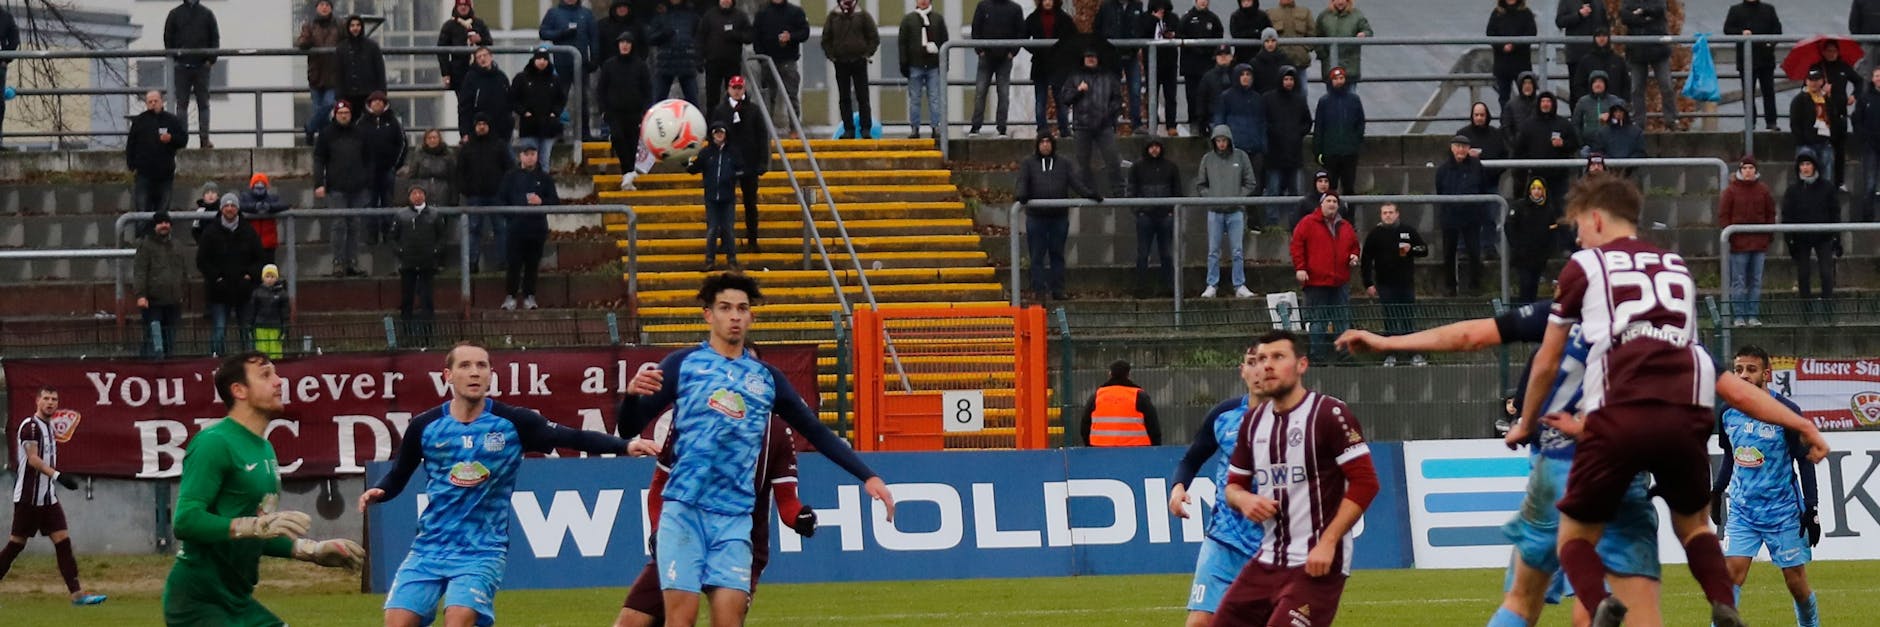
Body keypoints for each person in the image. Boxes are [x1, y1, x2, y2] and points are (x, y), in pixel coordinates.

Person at [1506, 175, 1829, 627]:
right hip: (1686, 411)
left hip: (1619, 414)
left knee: (1571, 536)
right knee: (1695, 526)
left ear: (1596, 218)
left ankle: (1599, 600)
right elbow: (1723, 381)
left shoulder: (1585, 268)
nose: (1577, 237)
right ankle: (1723, 602)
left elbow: (1546, 359)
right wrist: (1805, 425)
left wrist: (1525, 421)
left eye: (1579, 225)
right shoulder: (1676, 267)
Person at [1333, 302, 1666, 627]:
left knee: (1523, 600)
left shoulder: (1562, 315)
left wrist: (1387, 341)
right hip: (1621, 472)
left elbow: (1471, 335)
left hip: (1557, 470)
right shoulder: (1659, 323)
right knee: (1603, 601)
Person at [615, 273, 895, 627]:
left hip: (734, 521)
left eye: (742, 309)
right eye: (725, 308)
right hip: (683, 514)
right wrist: (630, 398)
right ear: (708, 315)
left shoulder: (766, 379)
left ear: (751, 317)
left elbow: (814, 429)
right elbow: (627, 427)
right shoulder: (682, 365)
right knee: (680, 621)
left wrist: (867, 476)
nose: (734, 315)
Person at [361, 342, 632, 627]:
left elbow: (572, 437)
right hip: (429, 547)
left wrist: (626, 445)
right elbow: (398, 475)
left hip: (481, 550)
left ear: (491, 375)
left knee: (458, 618)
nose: (474, 372)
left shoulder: (513, 422)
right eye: (464, 366)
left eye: (482, 366)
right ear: (447, 376)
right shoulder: (425, 426)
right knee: (397, 622)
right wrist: (381, 490)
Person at [163, 353, 365, 625]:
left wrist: (310, 550)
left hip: (237, 600)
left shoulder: (265, 448)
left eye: (277, 374)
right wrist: (252, 527)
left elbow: (258, 529)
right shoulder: (214, 443)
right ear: (239, 390)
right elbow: (186, 521)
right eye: (266, 375)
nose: (279, 382)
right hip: (199, 602)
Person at [1215, 330, 1376, 627]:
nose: (1267, 366)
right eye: (1262, 358)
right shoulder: (1252, 422)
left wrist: (1328, 542)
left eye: (1278, 357)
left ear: (1302, 365)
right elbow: (1233, 487)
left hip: (1316, 564)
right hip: (1267, 561)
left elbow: (1366, 483)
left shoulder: (1329, 414)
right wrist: (1244, 499)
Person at [612, 416, 817, 627]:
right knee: (633, 621)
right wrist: (658, 531)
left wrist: (800, 518)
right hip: (686, 533)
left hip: (738, 543)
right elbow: (660, 483)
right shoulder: (691, 415)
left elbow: (788, 501)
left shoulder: (776, 431)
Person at [1714, 345, 1821, 627]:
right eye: (1738, 370)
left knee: (1796, 584)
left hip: (1783, 512)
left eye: (1751, 369)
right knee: (1731, 578)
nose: (1744, 375)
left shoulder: (1786, 411)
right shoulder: (1727, 412)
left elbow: (1805, 461)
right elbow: (1730, 455)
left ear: (1766, 374)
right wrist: (1716, 491)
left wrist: (1811, 507)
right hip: (1743, 510)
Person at [1169, 347, 1266, 626]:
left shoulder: (1295, 418)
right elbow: (1192, 458)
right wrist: (1178, 488)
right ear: (1242, 370)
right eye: (1251, 363)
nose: (1258, 370)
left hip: (1275, 543)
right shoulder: (1225, 414)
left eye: (1264, 362)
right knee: (1199, 622)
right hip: (1224, 540)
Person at [0, 386, 109, 606]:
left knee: (63, 542)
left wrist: (54, 481)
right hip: (29, 499)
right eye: (46, 398)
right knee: (16, 545)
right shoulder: (30, 427)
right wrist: (58, 476)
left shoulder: (49, 428)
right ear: (37, 401)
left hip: (48, 498)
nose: (50, 402)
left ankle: (77, 595)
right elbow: (33, 459)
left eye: (54, 399)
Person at [1015, 136, 1099, 300]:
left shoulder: (1064, 163)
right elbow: (1022, 181)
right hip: (1036, 217)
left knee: (1057, 254)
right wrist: (1021, 194)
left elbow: (1075, 182)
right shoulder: (1029, 163)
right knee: (1037, 255)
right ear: (1037, 145)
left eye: (1048, 142)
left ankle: (1058, 290)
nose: (1045, 145)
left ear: (1053, 145)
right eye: (1042, 142)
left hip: (1058, 217)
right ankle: (1039, 290)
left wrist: (1090, 194)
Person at [1291, 192, 1360, 360]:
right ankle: (1317, 356)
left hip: (1340, 281)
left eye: (1335, 201)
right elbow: (1296, 246)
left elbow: (1354, 246)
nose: (1332, 204)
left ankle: (1344, 356)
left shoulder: (1345, 226)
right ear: (1321, 204)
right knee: (1318, 321)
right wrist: (1300, 268)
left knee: (1342, 320)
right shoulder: (1307, 223)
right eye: (1328, 201)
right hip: (1316, 281)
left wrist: (1354, 256)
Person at [1359, 202, 1427, 366]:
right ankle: (1390, 354)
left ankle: (1413, 354)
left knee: (1407, 319)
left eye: (1391, 212)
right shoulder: (1375, 234)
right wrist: (1368, 283)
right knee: (1389, 319)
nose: (1388, 215)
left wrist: (1411, 250)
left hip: (1406, 283)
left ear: (1397, 214)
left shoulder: (1407, 231)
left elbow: (1424, 250)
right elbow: (1366, 260)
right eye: (1384, 213)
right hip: (1385, 284)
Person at [1195, 125, 1258, 299]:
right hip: (1214, 211)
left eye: (1224, 140)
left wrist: (1238, 197)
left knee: (1237, 250)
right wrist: (1212, 197)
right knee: (1213, 250)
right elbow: (1201, 184)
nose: (1221, 144)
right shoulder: (1208, 159)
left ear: (1229, 140)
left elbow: (1250, 182)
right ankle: (1211, 284)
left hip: (1236, 211)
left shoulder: (1241, 156)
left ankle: (1239, 284)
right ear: (1214, 142)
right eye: (1218, 141)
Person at [197, 194, 263, 356]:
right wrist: (216, 278)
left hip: (244, 290)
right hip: (219, 291)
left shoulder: (248, 231)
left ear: (238, 208)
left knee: (247, 332)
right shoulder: (210, 232)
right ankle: (216, 364)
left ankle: (250, 364)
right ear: (221, 209)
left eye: (233, 205)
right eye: (226, 205)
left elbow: (260, 258)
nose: (229, 208)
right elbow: (202, 261)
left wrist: (249, 276)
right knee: (219, 332)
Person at [313, 100, 372, 278]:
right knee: (338, 224)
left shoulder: (360, 133)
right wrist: (319, 183)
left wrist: (366, 180)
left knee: (354, 225)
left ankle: (352, 263)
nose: (344, 115)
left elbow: (369, 159)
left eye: (346, 112)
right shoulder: (326, 134)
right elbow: (318, 160)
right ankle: (338, 262)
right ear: (335, 115)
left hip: (357, 188)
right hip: (336, 187)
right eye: (340, 113)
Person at [712, 76, 769, 251]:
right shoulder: (720, 110)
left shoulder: (753, 110)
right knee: (724, 204)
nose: (737, 91)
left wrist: (763, 162)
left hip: (749, 163)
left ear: (744, 89)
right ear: (728, 89)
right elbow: (713, 135)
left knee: (750, 203)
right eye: (734, 88)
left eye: (740, 88)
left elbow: (762, 137)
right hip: (727, 163)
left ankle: (752, 239)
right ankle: (724, 241)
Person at [499, 145, 557, 311]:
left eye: (533, 154)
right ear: (520, 156)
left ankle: (529, 296)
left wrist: (542, 203)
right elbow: (501, 199)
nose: (530, 157)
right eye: (527, 154)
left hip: (536, 229)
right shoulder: (510, 177)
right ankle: (510, 296)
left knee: (532, 265)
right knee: (514, 264)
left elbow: (555, 201)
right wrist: (512, 216)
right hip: (515, 230)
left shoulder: (545, 178)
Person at [1719, 156, 1774, 327]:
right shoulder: (1731, 191)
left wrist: (1767, 236)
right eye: (1745, 168)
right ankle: (1739, 316)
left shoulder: (1763, 190)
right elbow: (1723, 216)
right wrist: (1732, 237)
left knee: (1755, 281)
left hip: (1759, 244)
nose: (1748, 171)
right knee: (1739, 281)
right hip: (1739, 246)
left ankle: (1753, 315)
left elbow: (1770, 213)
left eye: (1751, 168)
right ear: (1740, 170)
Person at [1063, 49, 1124, 196]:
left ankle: (1120, 192)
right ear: (1083, 58)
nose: (1091, 59)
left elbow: (1117, 99)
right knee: (1082, 163)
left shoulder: (1109, 77)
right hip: (1082, 126)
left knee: (1113, 160)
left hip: (1105, 125)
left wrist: (1108, 115)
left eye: (1093, 56)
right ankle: (1088, 193)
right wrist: (1078, 91)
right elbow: (1065, 98)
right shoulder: (1074, 76)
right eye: (1088, 56)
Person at [457, 115, 513, 273]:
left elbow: (510, 169)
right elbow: (460, 172)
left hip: (497, 195)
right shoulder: (467, 148)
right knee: (474, 230)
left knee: (500, 229)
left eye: (484, 123)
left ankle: (503, 261)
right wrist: (466, 190)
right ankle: (472, 263)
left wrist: (504, 190)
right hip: (475, 196)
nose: (481, 127)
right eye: (478, 124)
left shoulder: (499, 145)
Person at [1781, 149, 1840, 302]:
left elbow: (1835, 212)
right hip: (1801, 237)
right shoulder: (1793, 190)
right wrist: (1790, 240)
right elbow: (1787, 215)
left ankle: (1828, 308)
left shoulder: (1827, 187)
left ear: (1814, 166)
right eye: (1802, 164)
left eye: (1808, 164)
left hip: (1824, 236)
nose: (1805, 168)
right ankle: (1805, 310)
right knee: (1803, 274)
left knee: (1826, 273)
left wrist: (1836, 237)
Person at [597, 32, 652, 190]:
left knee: (632, 143)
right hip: (614, 112)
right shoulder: (609, 65)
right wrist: (603, 110)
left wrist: (645, 111)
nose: (625, 45)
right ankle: (628, 171)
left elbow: (647, 90)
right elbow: (601, 89)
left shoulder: (640, 65)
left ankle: (627, 176)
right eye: (622, 42)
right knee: (617, 137)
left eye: (628, 42)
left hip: (634, 112)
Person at [1435, 135, 1488, 297]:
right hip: (1450, 216)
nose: (1460, 150)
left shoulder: (1476, 166)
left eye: (1464, 146)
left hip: (1471, 216)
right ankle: (1450, 286)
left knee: (1474, 250)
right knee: (1449, 252)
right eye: (1457, 146)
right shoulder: (1443, 169)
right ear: (1452, 148)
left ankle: (1475, 285)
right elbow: (1439, 189)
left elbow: (1483, 187)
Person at [392, 185, 446, 345]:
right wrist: (401, 252)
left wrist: (435, 251)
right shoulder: (401, 215)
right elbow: (393, 237)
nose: (417, 196)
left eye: (420, 193)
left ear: (425, 195)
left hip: (427, 264)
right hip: (408, 264)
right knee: (407, 299)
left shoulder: (435, 215)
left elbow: (442, 237)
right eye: (414, 193)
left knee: (427, 300)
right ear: (409, 196)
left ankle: (428, 336)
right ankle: (407, 335)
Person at [1126, 140, 1180, 297]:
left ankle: (1170, 287)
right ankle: (1141, 287)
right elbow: (1131, 190)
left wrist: (1171, 212)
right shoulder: (1137, 167)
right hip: (1145, 216)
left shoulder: (1171, 167)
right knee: (1143, 253)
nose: (1154, 150)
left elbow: (1177, 191)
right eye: (1151, 146)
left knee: (1167, 254)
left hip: (1165, 216)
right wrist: (1139, 211)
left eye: (1157, 146)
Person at [163, 0, 218, 148]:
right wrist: (175, 59)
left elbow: (215, 39)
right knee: (182, 105)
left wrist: (210, 61)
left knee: (202, 104)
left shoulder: (207, 14)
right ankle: (182, 141)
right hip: (182, 67)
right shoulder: (175, 14)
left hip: (201, 67)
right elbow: (168, 39)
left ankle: (204, 140)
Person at [689, 122, 743, 270]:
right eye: (716, 133)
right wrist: (685, 160)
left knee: (728, 230)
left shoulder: (732, 152)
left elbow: (741, 168)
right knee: (712, 229)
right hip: (712, 197)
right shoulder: (706, 153)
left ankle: (732, 260)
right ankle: (709, 260)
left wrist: (732, 177)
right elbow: (694, 168)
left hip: (728, 197)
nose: (719, 136)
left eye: (721, 133)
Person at [823, 0, 880, 139]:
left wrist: (866, 54)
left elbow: (874, 37)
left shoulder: (863, 15)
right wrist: (832, 56)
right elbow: (826, 39)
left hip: (859, 62)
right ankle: (848, 129)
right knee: (844, 97)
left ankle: (866, 129)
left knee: (863, 97)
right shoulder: (833, 16)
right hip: (840, 63)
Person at [133, 212, 187, 358]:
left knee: (170, 339)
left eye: (166, 222)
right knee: (154, 341)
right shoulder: (145, 246)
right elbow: (140, 272)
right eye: (160, 223)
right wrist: (141, 295)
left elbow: (183, 271)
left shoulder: (177, 245)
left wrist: (182, 292)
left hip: (173, 300)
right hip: (153, 301)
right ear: (154, 226)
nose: (164, 225)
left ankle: (168, 366)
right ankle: (149, 366)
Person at [1262, 65, 1310, 225]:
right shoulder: (1269, 98)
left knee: (1295, 192)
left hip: (1294, 153)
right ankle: (1271, 222)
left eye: (1291, 79)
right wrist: (1274, 133)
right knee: (1273, 189)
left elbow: (1307, 122)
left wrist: (1297, 133)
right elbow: (1263, 121)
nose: (1288, 82)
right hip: (1274, 153)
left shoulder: (1299, 99)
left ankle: (1295, 223)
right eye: (1286, 79)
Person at [968, 0, 1024, 138]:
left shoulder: (1015, 9)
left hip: (1005, 58)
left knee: (1003, 94)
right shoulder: (983, 6)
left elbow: (1020, 32)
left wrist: (1013, 52)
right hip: (986, 57)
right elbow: (976, 28)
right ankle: (975, 127)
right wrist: (980, 50)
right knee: (980, 92)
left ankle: (1001, 128)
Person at [1724, 0, 1781, 131]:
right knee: (1748, 93)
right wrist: (1741, 33)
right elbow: (1727, 29)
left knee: (1769, 91)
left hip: (1766, 58)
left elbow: (1777, 30)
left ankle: (1771, 122)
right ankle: (1751, 123)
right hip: (1745, 59)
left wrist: (1770, 44)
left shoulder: (1769, 9)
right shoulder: (1735, 10)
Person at [359, 92, 408, 242]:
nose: (378, 104)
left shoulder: (393, 122)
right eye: (375, 102)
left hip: (388, 170)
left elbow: (403, 144)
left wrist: (395, 165)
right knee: (370, 204)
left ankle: (388, 235)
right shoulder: (362, 123)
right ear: (370, 104)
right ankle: (372, 237)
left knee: (388, 203)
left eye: (381, 101)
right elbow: (357, 147)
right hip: (368, 173)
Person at [1620, 0, 1676, 130]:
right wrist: (1647, 18)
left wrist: (1640, 13)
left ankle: (1671, 119)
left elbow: (1660, 9)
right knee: (1636, 88)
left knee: (1666, 85)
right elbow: (1624, 16)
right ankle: (1638, 121)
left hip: (1658, 49)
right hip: (1637, 51)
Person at [754, 0, 810, 131]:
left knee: (791, 96)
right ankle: (766, 130)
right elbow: (756, 36)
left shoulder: (796, 12)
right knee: (767, 97)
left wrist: (791, 36)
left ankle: (795, 129)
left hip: (788, 61)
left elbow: (804, 33)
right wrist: (762, 58)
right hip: (768, 62)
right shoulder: (762, 13)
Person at [127, 91, 186, 217]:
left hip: (165, 174)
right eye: (150, 102)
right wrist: (132, 166)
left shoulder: (172, 120)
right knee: (142, 211)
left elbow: (183, 140)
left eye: (156, 101)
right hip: (144, 174)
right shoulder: (139, 121)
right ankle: (142, 236)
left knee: (162, 211)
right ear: (146, 104)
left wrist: (171, 139)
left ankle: (161, 235)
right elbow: (131, 145)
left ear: (162, 101)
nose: (153, 104)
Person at [1078, 359, 1162, 446]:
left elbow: (1084, 426)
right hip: (1136, 452)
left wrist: (1089, 446)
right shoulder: (1139, 396)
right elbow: (1153, 426)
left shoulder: (1097, 396)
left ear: (1110, 374)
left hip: (1100, 450)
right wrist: (1155, 448)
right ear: (1128, 375)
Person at [1813, 40, 1863, 185]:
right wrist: (1822, 91)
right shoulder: (1817, 68)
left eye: (1833, 51)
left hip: (1840, 114)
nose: (1831, 54)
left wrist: (1854, 95)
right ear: (1823, 52)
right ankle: (1821, 181)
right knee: (1822, 150)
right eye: (1828, 51)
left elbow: (1859, 81)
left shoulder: (1844, 67)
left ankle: (1839, 182)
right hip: (1822, 115)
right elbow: (1806, 88)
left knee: (1840, 151)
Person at [899, 0, 948, 139]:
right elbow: (902, 43)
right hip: (915, 65)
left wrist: (945, 64)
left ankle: (935, 128)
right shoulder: (908, 20)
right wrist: (904, 63)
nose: (923, 1)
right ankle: (915, 128)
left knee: (934, 98)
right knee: (915, 98)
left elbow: (945, 41)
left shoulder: (938, 19)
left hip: (933, 66)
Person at [1023, 0, 1072, 138]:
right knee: (1040, 100)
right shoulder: (1033, 18)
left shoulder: (1064, 18)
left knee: (1061, 100)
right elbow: (1023, 38)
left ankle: (1064, 129)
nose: (1048, 2)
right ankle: (1042, 130)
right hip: (1040, 64)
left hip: (1058, 65)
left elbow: (1073, 37)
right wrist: (1036, 50)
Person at [1095, 0, 1146, 133]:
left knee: (1135, 90)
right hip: (1112, 56)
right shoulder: (1106, 6)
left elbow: (1141, 28)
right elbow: (1097, 28)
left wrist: (1137, 43)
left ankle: (1137, 124)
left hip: (1131, 55)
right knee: (1112, 92)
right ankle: (1111, 124)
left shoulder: (1137, 6)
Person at [1513, 91, 1577, 198]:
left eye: (1548, 101)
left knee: (1559, 208)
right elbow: (1519, 150)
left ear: (1553, 104)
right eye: (1543, 101)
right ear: (1538, 104)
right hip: (1536, 176)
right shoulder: (1528, 125)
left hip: (1559, 177)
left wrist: (1563, 144)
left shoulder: (1563, 124)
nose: (1545, 104)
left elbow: (1575, 144)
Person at [511, 48, 568, 165]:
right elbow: (513, 99)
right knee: (528, 162)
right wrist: (523, 112)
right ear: (534, 59)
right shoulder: (522, 78)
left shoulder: (555, 80)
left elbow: (561, 99)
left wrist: (555, 113)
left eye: (545, 59)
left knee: (544, 161)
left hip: (548, 127)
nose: (542, 61)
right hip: (528, 127)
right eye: (539, 58)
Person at [1313, 66, 1364, 197]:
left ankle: (1349, 217)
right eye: (1335, 78)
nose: (1339, 81)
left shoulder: (1354, 100)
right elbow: (1319, 127)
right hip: (1330, 152)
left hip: (1349, 153)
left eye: (1341, 78)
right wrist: (1318, 150)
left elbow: (1360, 123)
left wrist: (1355, 143)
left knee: (1349, 188)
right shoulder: (1324, 101)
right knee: (1330, 188)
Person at [297, 0, 342, 144]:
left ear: (331, 8)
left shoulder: (339, 25)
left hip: (334, 74)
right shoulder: (309, 25)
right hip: (316, 75)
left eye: (327, 5)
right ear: (317, 7)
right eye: (321, 5)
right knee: (319, 111)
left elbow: (347, 42)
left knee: (329, 104)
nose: (324, 8)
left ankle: (310, 128)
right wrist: (307, 40)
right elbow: (301, 43)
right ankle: (324, 144)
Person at [1178, 0, 1224, 137]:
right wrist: (1195, 48)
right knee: (1192, 97)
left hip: (1207, 67)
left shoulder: (1213, 18)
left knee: (1208, 97)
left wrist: (1210, 52)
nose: (1203, 2)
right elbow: (1180, 36)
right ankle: (1194, 125)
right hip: (1191, 67)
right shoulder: (1187, 18)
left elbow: (1218, 37)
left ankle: (1208, 125)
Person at [1507, 177, 1557, 303]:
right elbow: (1509, 227)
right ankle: (1523, 312)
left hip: (1539, 256)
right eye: (1533, 188)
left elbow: (1553, 232)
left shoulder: (1549, 209)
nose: (1536, 191)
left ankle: (1530, 312)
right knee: (1525, 284)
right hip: (1522, 255)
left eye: (1539, 188)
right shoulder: (1519, 206)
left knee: (1533, 285)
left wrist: (1548, 250)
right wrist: (1517, 246)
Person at [697, 0, 753, 112]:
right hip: (713, 63)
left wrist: (735, 35)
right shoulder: (709, 15)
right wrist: (699, 58)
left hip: (732, 63)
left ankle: (734, 124)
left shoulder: (740, 16)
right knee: (712, 97)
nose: (725, 1)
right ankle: (712, 124)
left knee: (734, 97)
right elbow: (700, 38)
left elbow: (749, 37)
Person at [1791, 68, 1843, 184]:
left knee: (1827, 178)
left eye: (1817, 80)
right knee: (1805, 178)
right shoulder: (1799, 99)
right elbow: (1795, 123)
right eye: (1811, 80)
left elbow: (1835, 119)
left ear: (1822, 81)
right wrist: (1802, 141)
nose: (1814, 83)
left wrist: (1831, 138)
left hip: (1825, 143)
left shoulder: (1827, 99)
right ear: (1806, 81)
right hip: (1806, 145)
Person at [538, 0, 598, 98]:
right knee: (560, 97)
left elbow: (594, 38)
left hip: (582, 64)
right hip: (561, 64)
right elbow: (543, 33)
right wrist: (561, 33)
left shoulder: (586, 14)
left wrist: (595, 59)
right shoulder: (553, 13)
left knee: (583, 99)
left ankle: (583, 114)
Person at [648, 0, 702, 105]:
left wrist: (699, 57)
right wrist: (663, 34)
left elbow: (700, 38)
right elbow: (650, 39)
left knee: (693, 102)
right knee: (658, 102)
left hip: (687, 63)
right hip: (665, 64)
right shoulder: (660, 16)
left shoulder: (692, 16)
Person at [1556, 0, 1609, 105]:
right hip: (1576, 55)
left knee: (1598, 90)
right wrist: (1578, 15)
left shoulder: (1599, 3)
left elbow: (1605, 25)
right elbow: (1560, 21)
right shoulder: (1567, 2)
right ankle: (1576, 119)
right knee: (1576, 92)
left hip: (1597, 55)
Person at [1214, 64, 1267, 168]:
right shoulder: (1226, 97)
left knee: (1254, 182)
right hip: (1234, 150)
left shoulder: (1257, 98)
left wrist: (1263, 145)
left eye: (1248, 74)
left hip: (1255, 150)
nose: (1245, 77)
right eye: (1242, 74)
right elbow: (1219, 123)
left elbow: (1262, 124)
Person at [457, 47, 514, 142]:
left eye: (485, 55)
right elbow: (464, 107)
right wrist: (465, 132)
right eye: (479, 57)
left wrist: (509, 125)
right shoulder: (470, 78)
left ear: (491, 57)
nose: (482, 59)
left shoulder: (501, 77)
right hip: (478, 130)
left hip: (501, 131)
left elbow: (509, 103)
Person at [1143, 0, 1182, 136]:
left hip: (1169, 62)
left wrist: (1172, 34)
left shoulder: (1173, 18)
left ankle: (1171, 124)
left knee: (1170, 95)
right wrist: (1154, 20)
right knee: (1151, 94)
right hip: (1152, 63)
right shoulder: (1146, 18)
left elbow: (1179, 32)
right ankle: (1152, 123)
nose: (1161, 9)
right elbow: (1142, 34)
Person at [1486, 0, 1535, 107]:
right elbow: (1490, 33)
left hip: (1521, 63)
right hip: (1502, 64)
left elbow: (1531, 33)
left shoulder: (1526, 13)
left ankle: (1525, 122)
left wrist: (1514, 45)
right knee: (1504, 99)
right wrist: (1502, 46)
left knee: (1527, 98)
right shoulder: (1497, 13)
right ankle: (1506, 122)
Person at [438, 0, 493, 92]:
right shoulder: (449, 26)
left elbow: (490, 44)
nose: (463, 7)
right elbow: (442, 51)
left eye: (465, 5)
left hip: (479, 70)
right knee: (464, 102)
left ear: (470, 7)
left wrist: (480, 40)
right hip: (458, 73)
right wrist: (446, 73)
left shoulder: (479, 23)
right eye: (460, 5)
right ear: (456, 7)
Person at [1314, 0, 1372, 88]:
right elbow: (1316, 36)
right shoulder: (1324, 16)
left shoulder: (1357, 15)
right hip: (1330, 67)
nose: (1340, 2)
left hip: (1350, 67)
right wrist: (1323, 55)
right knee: (1332, 98)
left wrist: (1364, 34)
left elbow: (1368, 31)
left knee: (1350, 98)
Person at [336, 15, 387, 115]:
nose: (355, 28)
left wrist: (381, 94)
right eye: (352, 25)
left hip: (369, 94)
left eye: (358, 25)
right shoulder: (341, 48)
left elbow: (380, 71)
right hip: (348, 95)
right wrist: (339, 96)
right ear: (348, 28)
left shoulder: (372, 46)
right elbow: (338, 73)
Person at [1266, 0, 1314, 101]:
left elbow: (1312, 34)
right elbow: (1267, 36)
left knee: (1302, 92)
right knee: (1278, 93)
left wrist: (1303, 49)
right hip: (1278, 63)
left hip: (1299, 62)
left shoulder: (1305, 12)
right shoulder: (1270, 13)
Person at [1571, 28, 1631, 108]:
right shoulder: (1586, 61)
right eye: (1598, 36)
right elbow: (1578, 85)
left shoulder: (1618, 60)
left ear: (1608, 38)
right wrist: (1587, 101)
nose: (1601, 39)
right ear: (1594, 38)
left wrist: (1623, 102)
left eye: (1604, 36)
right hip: (1592, 106)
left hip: (1615, 106)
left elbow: (1626, 83)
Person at [239, 173, 287, 265]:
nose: (259, 188)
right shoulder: (245, 197)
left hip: (268, 243)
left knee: (268, 271)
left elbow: (284, 205)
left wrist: (269, 207)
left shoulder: (272, 198)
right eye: (257, 185)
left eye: (262, 185)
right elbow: (240, 206)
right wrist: (254, 207)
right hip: (250, 243)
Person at [404, 129, 457, 206]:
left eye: (435, 137)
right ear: (425, 140)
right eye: (429, 138)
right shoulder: (419, 155)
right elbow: (411, 177)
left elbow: (453, 179)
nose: (432, 140)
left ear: (439, 139)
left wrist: (454, 199)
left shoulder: (448, 156)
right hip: (422, 196)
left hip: (444, 196)